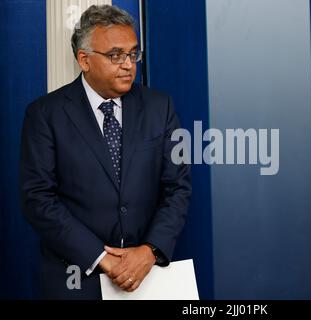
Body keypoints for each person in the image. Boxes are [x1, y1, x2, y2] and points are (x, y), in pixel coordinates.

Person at [19, 4, 191, 299]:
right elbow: (38, 199)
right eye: (115, 55)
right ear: (84, 60)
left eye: (133, 53)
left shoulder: (159, 107)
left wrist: (149, 251)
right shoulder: (45, 114)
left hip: (148, 275)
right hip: (75, 278)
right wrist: (103, 259)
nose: (128, 64)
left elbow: (178, 187)